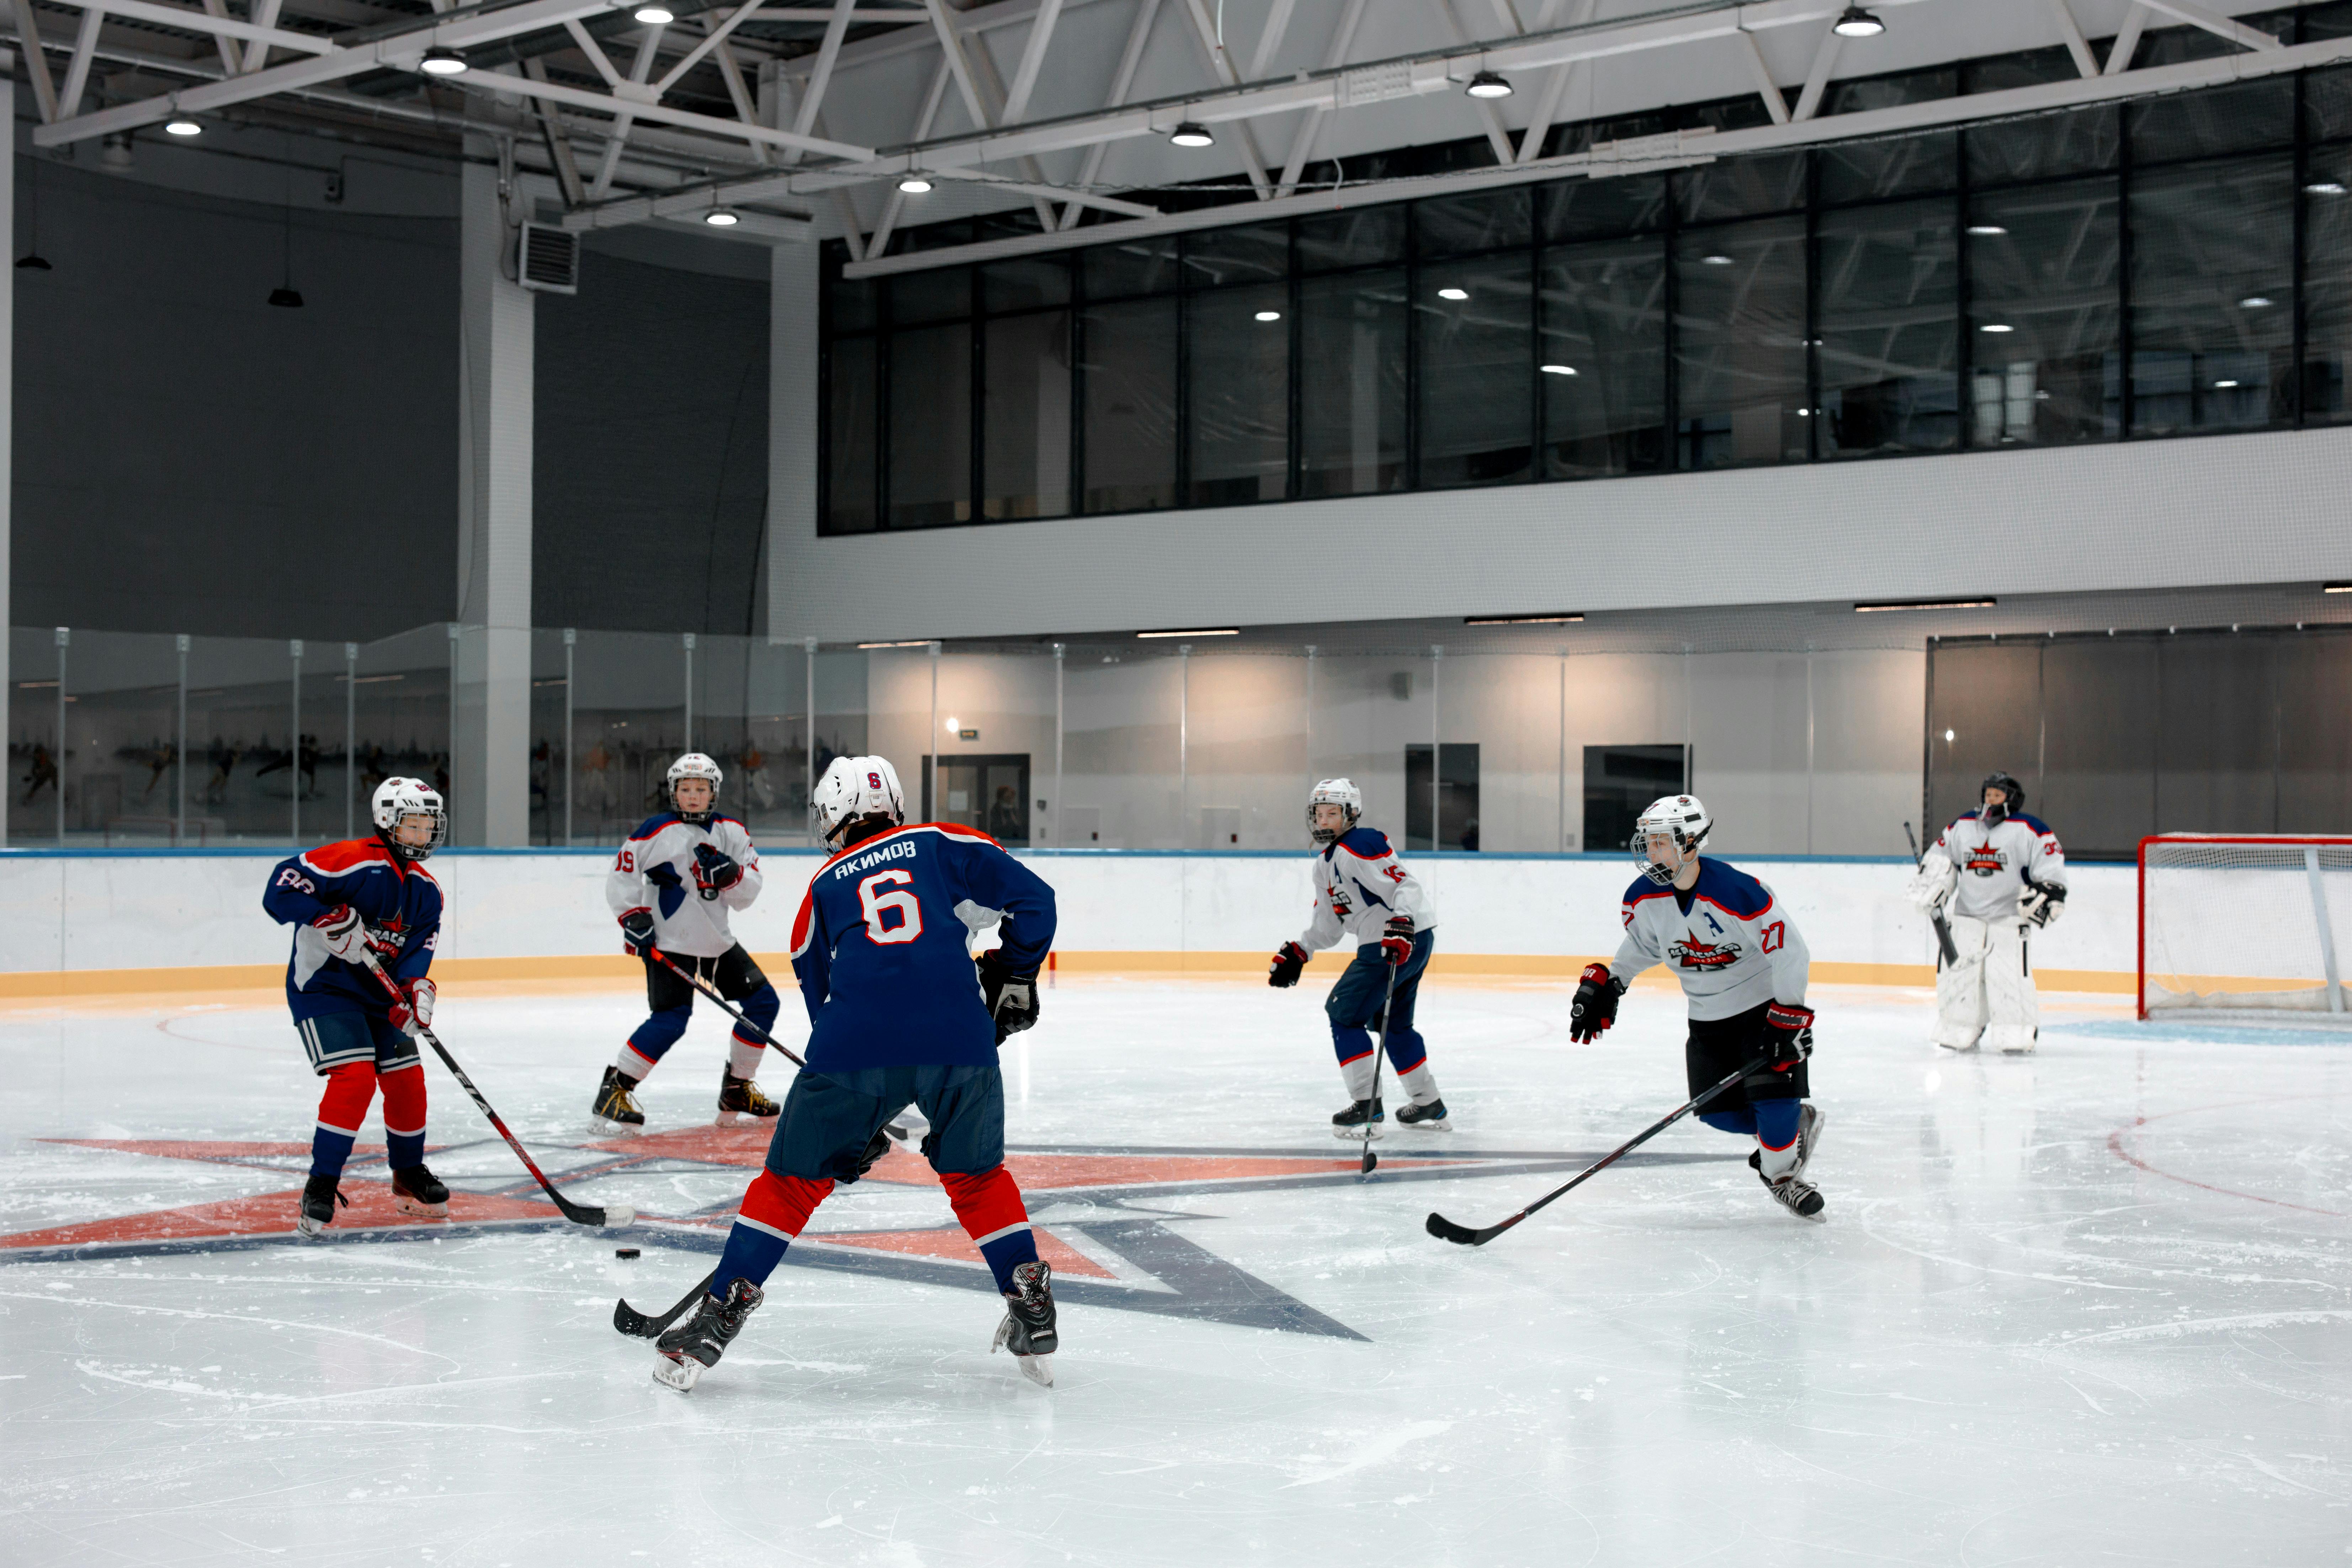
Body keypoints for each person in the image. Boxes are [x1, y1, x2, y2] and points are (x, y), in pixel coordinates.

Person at [652, 755, 1059, 1392]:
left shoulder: (820, 888)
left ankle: (717, 1317)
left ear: (832, 817)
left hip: (854, 1047)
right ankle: (1029, 1298)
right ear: (891, 802)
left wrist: (852, 1122)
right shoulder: (944, 841)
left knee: (789, 1185)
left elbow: (819, 996)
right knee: (978, 1177)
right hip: (961, 1038)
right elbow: (1036, 900)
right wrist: (1017, 970)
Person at [1567, 794, 1826, 1220]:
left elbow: (1790, 951)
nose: (1649, 851)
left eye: (1659, 842)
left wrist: (1788, 1014)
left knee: (1772, 1099)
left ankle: (1782, 1176)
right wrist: (1613, 981)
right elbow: (1644, 945)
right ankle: (1792, 1126)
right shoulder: (1642, 898)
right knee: (1718, 1114)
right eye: (1646, 841)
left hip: (1761, 1008)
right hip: (1707, 1018)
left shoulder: (1736, 891)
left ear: (1688, 843)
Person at [260, 777, 450, 1237]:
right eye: (414, 825)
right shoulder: (353, 860)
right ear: (387, 821)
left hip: (378, 996)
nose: (423, 835)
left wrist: (417, 994)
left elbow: (415, 959)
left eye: (430, 826)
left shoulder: (427, 890)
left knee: (408, 1078)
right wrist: (324, 915)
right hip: (324, 989)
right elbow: (279, 891)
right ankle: (321, 1183)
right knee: (356, 1077)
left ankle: (408, 1174)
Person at [593, 753, 781, 1132]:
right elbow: (622, 874)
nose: (692, 796)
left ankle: (738, 1087)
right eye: (685, 789)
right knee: (671, 1019)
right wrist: (634, 917)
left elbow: (749, 892)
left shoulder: (732, 832)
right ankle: (614, 1090)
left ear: (714, 792)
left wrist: (731, 875)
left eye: (700, 788)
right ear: (673, 792)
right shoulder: (654, 830)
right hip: (668, 941)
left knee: (763, 1003)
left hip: (716, 941)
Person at [1267, 778, 1450, 1136]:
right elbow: (1329, 923)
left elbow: (1405, 885)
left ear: (1350, 814)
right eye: (1319, 813)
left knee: (1343, 1014)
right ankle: (1428, 1101)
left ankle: (1367, 1105)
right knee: (1392, 1025)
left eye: (1332, 813)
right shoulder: (1324, 863)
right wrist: (1303, 949)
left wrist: (1401, 922)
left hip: (1393, 940)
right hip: (1403, 939)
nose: (1323, 820)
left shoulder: (1361, 843)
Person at [1906, 771, 2068, 1054]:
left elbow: (2050, 865)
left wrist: (2048, 892)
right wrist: (1934, 881)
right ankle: (1958, 1027)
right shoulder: (1964, 825)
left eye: (1998, 794)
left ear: (2012, 798)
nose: (1991, 799)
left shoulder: (2030, 828)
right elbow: (1941, 856)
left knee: (2008, 977)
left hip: (2007, 919)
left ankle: (2015, 1031)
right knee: (1959, 977)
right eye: (1988, 794)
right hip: (1966, 916)